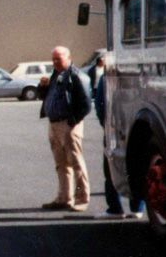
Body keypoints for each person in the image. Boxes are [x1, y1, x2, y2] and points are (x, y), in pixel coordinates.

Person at [38, 45, 92, 212]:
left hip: (68, 125)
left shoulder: (76, 76)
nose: (55, 62)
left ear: (68, 58)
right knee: (60, 164)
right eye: (53, 59)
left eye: (58, 59)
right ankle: (64, 198)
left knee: (76, 163)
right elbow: (46, 97)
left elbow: (85, 104)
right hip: (54, 124)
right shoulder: (56, 75)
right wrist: (43, 88)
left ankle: (81, 198)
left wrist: (73, 121)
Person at [89, 55, 143, 220]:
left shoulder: (107, 78)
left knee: (110, 167)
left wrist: (105, 125)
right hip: (135, 128)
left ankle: (115, 208)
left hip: (114, 128)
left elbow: (99, 105)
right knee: (137, 165)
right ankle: (137, 208)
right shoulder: (139, 77)